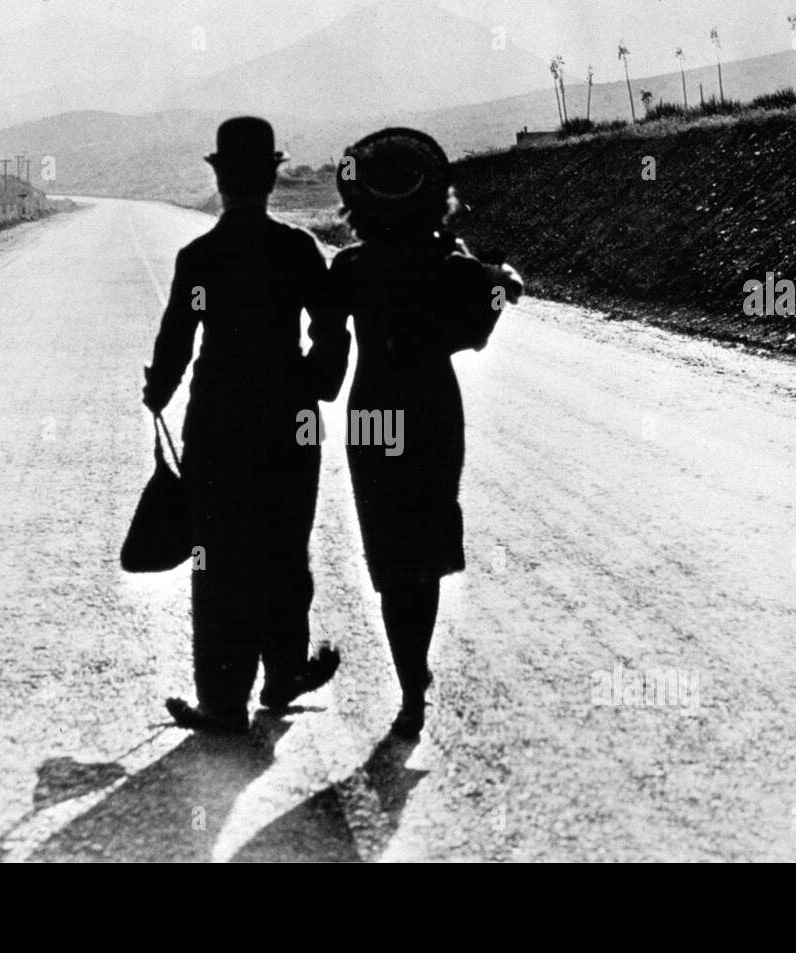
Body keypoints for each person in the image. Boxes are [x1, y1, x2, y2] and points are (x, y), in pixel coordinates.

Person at [314, 127, 523, 739]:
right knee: (425, 546)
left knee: (387, 546)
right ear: (434, 196)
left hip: (374, 413)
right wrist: (494, 281)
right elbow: (476, 331)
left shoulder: (350, 266)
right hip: (432, 410)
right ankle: (413, 685)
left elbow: (327, 370)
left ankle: (409, 678)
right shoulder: (455, 268)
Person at [143, 117, 345, 734]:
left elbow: (177, 341)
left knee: (218, 558)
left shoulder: (199, 257)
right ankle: (282, 675)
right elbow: (333, 330)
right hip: (292, 424)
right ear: (271, 178)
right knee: (284, 547)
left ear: (220, 178)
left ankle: (224, 700)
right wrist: (311, 385)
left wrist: (159, 393)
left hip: (218, 426)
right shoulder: (298, 249)